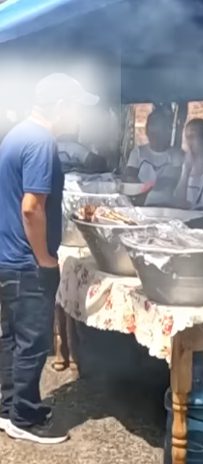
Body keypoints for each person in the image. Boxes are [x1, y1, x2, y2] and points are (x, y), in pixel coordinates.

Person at [0, 73, 99, 444]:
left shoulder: (17, 134)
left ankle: (10, 408)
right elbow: (31, 208)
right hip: (26, 261)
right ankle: (24, 419)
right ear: (61, 106)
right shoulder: (41, 142)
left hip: (7, 257)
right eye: (76, 108)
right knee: (33, 341)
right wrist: (44, 257)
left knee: (10, 337)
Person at [123, 108, 185, 206]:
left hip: (170, 206)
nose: (155, 135)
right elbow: (129, 178)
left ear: (168, 131)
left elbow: (180, 184)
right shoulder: (138, 153)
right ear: (147, 131)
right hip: (142, 204)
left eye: (159, 130)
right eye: (152, 130)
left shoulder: (178, 156)